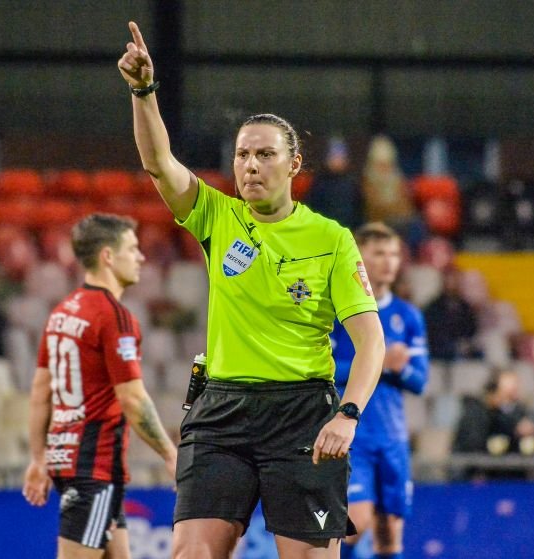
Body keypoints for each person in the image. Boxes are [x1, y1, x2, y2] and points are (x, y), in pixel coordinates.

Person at [118, 22, 385, 559]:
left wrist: (348, 415)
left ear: (294, 165)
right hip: (220, 411)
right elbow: (158, 164)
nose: (250, 165)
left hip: (301, 415)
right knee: (191, 554)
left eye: (264, 154)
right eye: (242, 155)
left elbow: (370, 343)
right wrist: (143, 94)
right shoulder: (218, 216)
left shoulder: (331, 239)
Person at [22, 214, 178, 559]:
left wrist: (38, 457)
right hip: (94, 468)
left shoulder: (63, 311)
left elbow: (40, 391)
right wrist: (170, 454)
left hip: (69, 460)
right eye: (133, 249)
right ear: (108, 256)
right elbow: (133, 399)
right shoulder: (113, 316)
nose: (141, 257)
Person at [331, 223, 429, 559]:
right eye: (379, 253)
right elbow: (325, 370)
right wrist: (382, 362)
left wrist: (400, 368)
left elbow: (420, 381)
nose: (389, 262)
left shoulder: (408, 315)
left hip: (393, 437)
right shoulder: (338, 310)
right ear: (359, 257)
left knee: (390, 536)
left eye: (394, 254)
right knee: (355, 526)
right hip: (353, 434)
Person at [304, 137, 364, 229]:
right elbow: (313, 209)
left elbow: (358, 212)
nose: (337, 161)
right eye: (334, 157)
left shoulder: (352, 185)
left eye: (340, 158)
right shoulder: (319, 185)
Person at [422, 267, 478, 361]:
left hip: (464, 355)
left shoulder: (466, 308)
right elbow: (431, 335)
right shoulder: (432, 308)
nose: (452, 284)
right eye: (449, 280)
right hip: (439, 355)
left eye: (455, 280)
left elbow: (472, 331)